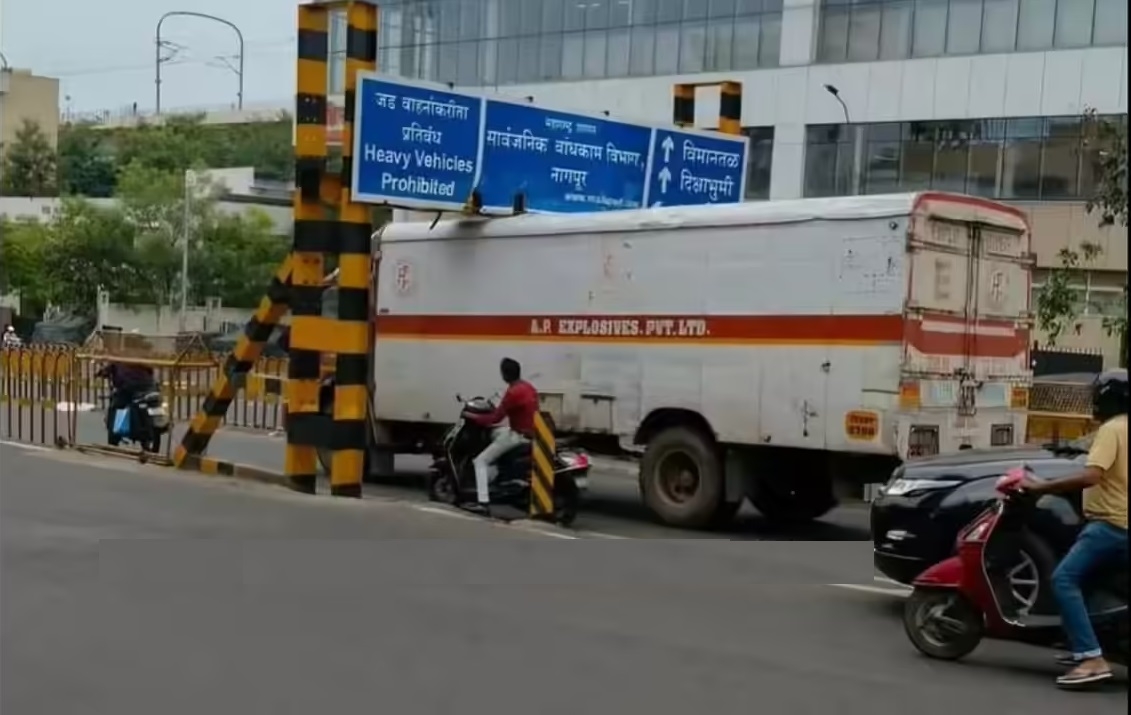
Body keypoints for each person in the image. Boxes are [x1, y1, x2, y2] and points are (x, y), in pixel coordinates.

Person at [1022, 368, 1128, 689]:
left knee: (1064, 579)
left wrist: (1042, 487)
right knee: (1086, 583)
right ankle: (1083, 643)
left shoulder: (1112, 430)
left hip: (1110, 525)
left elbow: (1091, 475)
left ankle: (1091, 657)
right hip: (1121, 524)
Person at [463, 357, 539, 515]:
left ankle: (482, 502)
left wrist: (474, 418)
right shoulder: (528, 387)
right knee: (496, 432)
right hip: (528, 432)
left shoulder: (513, 392)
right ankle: (498, 473)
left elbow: (495, 418)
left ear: (504, 374)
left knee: (480, 461)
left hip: (518, 435)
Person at [97, 360, 157, 434]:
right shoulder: (141, 357)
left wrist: (101, 373)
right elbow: (151, 371)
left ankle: (114, 430)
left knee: (116, 405)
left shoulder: (119, 358)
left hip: (128, 386)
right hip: (147, 386)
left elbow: (107, 370)